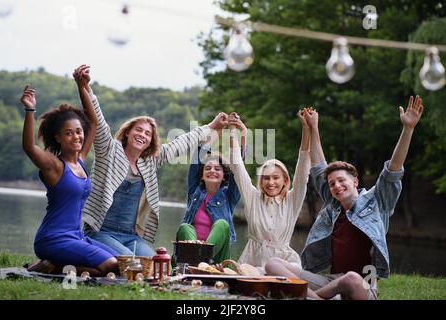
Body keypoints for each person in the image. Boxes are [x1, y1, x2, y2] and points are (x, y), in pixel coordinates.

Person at [265, 96, 424, 300]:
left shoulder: (377, 202)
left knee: (350, 279)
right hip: (331, 282)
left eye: (341, 181)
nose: (336, 186)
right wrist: (314, 127)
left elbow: (392, 170)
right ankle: (316, 298)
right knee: (273, 264)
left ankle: (308, 297)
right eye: (332, 184)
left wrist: (408, 129)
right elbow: (318, 166)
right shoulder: (333, 206)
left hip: (363, 285)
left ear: (355, 182)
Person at [76, 68, 228, 257]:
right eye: (138, 130)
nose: (142, 135)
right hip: (100, 232)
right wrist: (85, 88)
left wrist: (211, 127)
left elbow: (180, 143)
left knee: (157, 263)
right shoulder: (109, 150)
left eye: (147, 133)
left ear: (151, 141)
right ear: (127, 132)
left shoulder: (149, 161)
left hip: (130, 236)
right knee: (131, 262)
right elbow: (97, 121)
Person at [21, 65, 118, 276]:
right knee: (110, 266)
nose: (76, 137)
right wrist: (30, 110)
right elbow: (29, 147)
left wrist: (81, 86)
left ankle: (52, 266)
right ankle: (53, 266)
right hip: (53, 238)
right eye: (68, 133)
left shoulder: (81, 160)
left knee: (122, 263)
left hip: (77, 236)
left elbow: (92, 122)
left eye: (78, 132)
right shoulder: (54, 165)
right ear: (57, 137)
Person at [228, 109, 311, 274]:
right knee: (243, 278)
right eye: (266, 178)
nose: (271, 182)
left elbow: (303, 167)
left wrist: (306, 128)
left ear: (285, 180)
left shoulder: (292, 200)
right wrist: (231, 130)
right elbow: (237, 165)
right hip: (252, 262)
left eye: (275, 177)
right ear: (261, 181)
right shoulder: (253, 197)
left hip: (284, 263)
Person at [175, 113, 247, 264]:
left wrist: (240, 133)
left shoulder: (229, 196)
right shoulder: (195, 192)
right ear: (201, 175)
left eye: (217, 169)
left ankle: (203, 260)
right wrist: (217, 130)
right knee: (185, 227)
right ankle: (197, 261)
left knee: (222, 224)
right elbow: (197, 158)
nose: (212, 171)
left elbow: (239, 168)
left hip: (216, 260)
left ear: (224, 176)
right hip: (189, 255)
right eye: (208, 168)